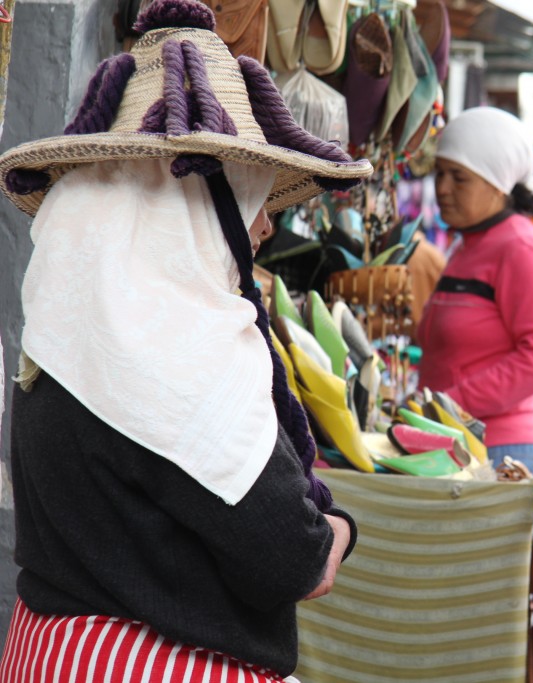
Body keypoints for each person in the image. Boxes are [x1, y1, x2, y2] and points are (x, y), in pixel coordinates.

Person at [0, 0, 370, 678]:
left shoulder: (57, 339)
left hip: (48, 659)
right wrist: (341, 528)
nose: (264, 228)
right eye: (253, 199)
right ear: (197, 205)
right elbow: (297, 562)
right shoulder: (188, 365)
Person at [417, 107, 533, 484]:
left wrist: (454, 403)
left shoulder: (520, 248)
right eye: (440, 173)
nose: (442, 189)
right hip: (453, 442)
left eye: (459, 178)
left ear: (498, 183)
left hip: (498, 450)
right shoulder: (467, 245)